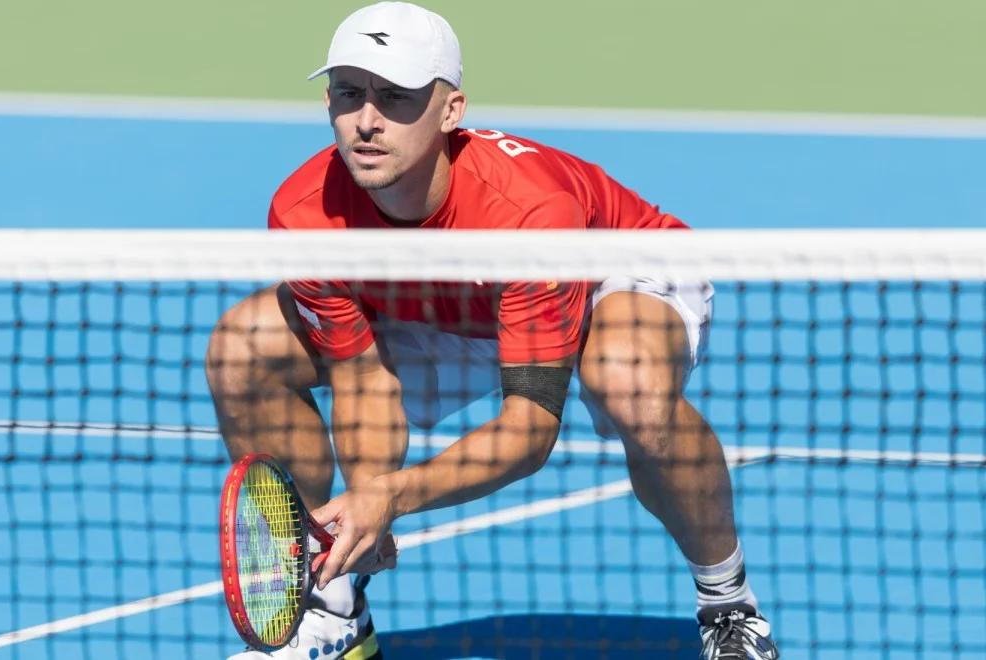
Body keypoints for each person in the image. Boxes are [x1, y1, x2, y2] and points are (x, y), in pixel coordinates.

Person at [207, 3, 779, 659]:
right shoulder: (307, 212)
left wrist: (393, 496)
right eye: (348, 94)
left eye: (395, 98)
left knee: (629, 386)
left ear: (451, 112)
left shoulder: (528, 212)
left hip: (609, 277)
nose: (366, 120)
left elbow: (531, 430)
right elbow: (362, 377)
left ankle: (728, 606)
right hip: (448, 306)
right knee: (244, 346)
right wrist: (367, 502)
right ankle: (332, 605)